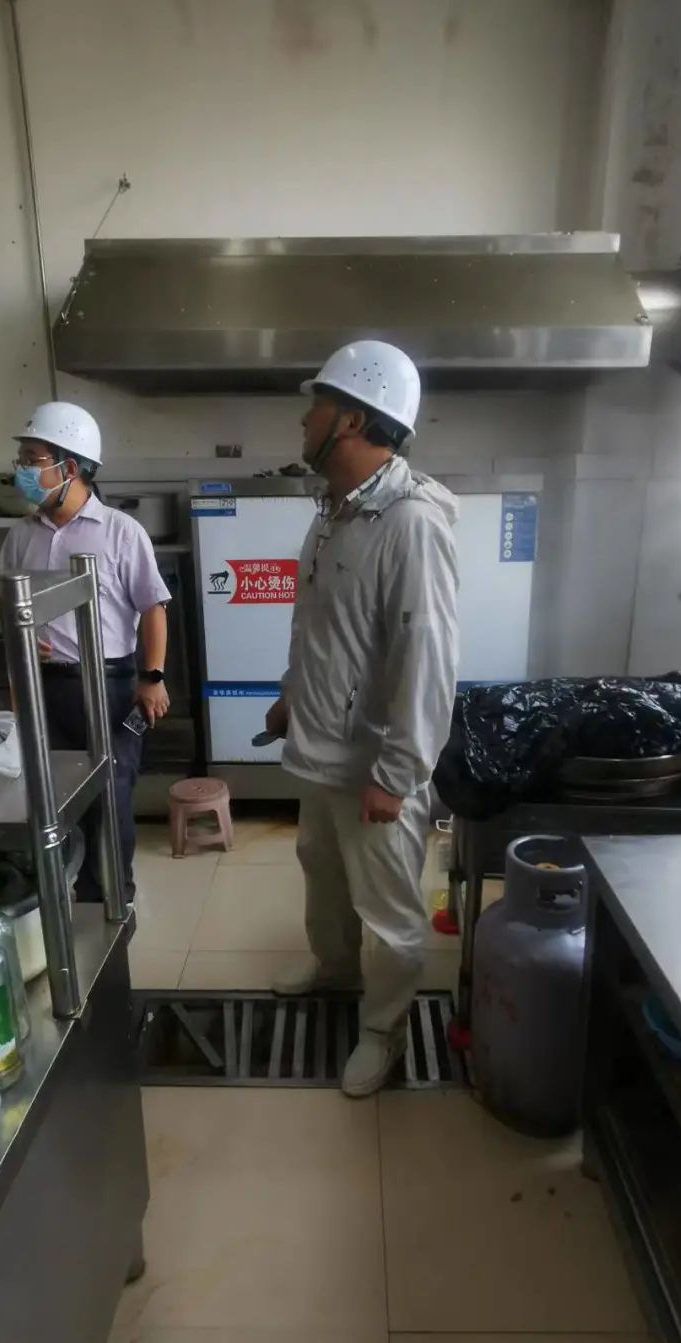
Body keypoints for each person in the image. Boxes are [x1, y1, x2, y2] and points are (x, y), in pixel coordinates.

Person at [265, 341, 459, 1097]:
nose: (303, 420)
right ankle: (335, 968)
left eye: (316, 405)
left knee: (388, 911)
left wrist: (398, 774)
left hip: (375, 766)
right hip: (320, 746)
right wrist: (292, 693)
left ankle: (383, 1029)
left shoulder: (410, 523)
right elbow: (318, 627)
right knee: (321, 871)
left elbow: (427, 658)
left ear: (350, 419)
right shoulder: (332, 513)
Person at [0, 401, 170, 903]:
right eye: (22, 460)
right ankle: (49, 898)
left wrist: (153, 677)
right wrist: (17, 668)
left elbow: (153, 607)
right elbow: (8, 610)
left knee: (109, 797)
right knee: (47, 793)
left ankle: (109, 898)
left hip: (107, 685)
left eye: (33, 460)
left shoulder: (120, 531)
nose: (23, 471)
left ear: (69, 467)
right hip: (42, 685)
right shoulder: (21, 536)